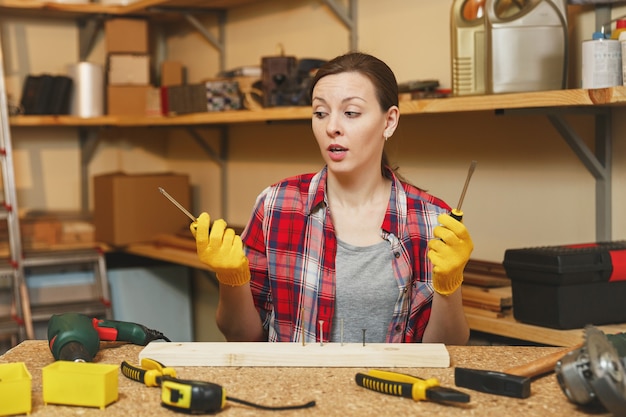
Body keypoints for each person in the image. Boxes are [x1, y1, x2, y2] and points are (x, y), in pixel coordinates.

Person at [191, 52, 473, 345]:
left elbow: (448, 349)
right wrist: (231, 279)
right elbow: (241, 337)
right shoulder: (276, 205)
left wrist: (449, 287)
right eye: (320, 113)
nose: (331, 127)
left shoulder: (432, 220)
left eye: (350, 113)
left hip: (392, 388)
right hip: (295, 389)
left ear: (389, 121)